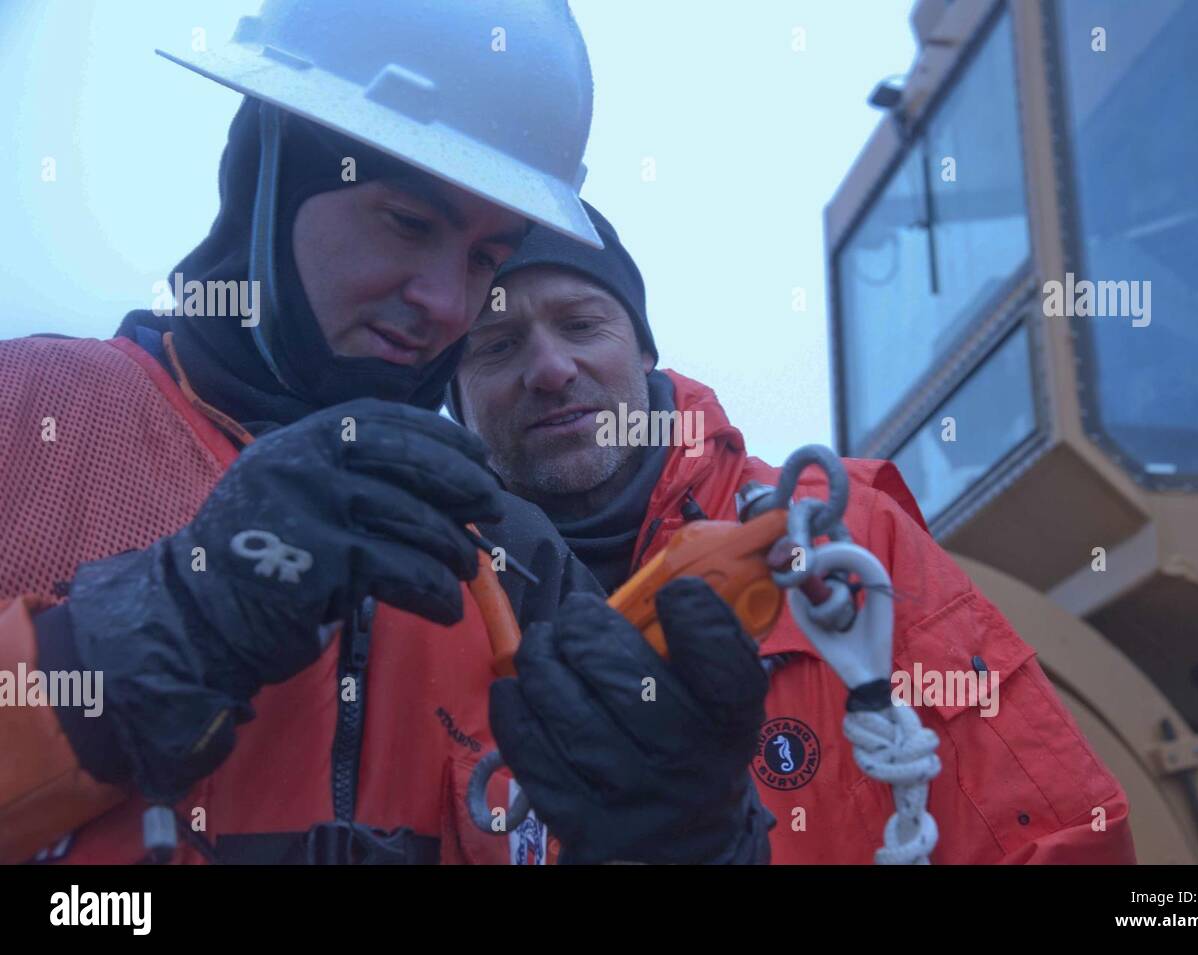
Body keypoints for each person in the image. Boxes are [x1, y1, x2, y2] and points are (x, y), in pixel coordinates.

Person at [0, 0, 770, 867]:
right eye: (408, 221)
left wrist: (696, 838)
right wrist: (156, 627)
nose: (448, 303)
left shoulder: (516, 557)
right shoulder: (28, 415)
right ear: (271, 174)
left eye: (485, 258)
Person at [447, 202, 1140, 864]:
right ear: (456, 393)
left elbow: (1056, 838)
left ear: (644, 349)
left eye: (580, 324)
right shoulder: (413, 606)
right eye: (499, 344)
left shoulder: (848, 541)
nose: (549, 369)